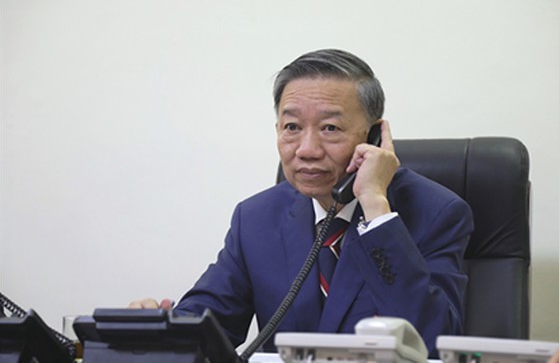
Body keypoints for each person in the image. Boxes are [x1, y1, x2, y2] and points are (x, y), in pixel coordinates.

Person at [130, 49, 473, 357]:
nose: (306, 149)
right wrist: (159, 330)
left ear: (373, 137)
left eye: (330, 128)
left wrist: (375, 208)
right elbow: (211, 320)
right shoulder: (256, 218)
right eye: (292, 126)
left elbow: (434, 343)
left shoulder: (436, 213)